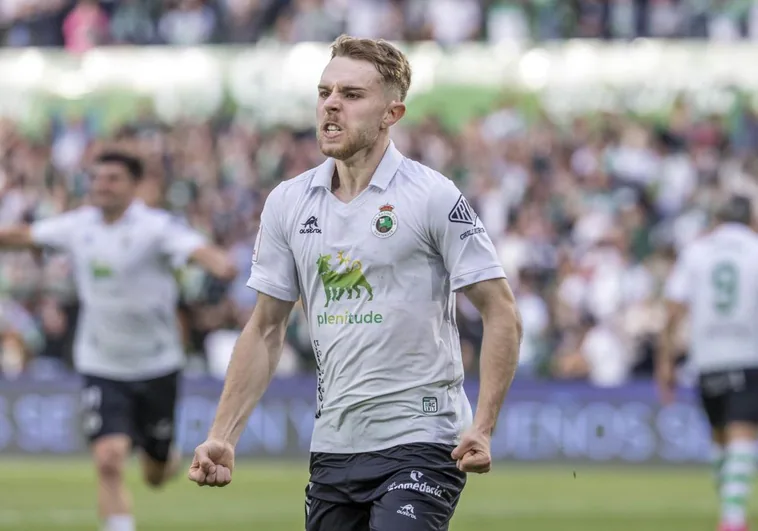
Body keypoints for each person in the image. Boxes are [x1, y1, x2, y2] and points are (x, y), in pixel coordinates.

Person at [188, 34, 523, 531]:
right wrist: (223, 434)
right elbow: (265, 329)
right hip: (334, 446)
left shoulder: (432, 196)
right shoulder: (287, 202)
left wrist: (484, 426)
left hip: (423, 437)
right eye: (325, 92)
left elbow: (501, 312)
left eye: (351, 94)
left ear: (392, 113)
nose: (331, 105)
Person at [0, 150, 237, 531]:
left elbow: (197, 249)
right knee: (108, 458)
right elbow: (23, 235)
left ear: (134, 185)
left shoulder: (155, 227)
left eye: (112, 178)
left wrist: (220, 264)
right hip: (101, 363)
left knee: (155, 475)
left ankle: (164, 457)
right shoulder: (80, 225)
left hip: (157, 364)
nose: (101, 186)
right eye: (96, 178)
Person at [658, 195, 758, 531]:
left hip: (706, 357)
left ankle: (731, 513)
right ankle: (732, 514)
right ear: (751, 219)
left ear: (717, 219)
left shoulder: (696, 252)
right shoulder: (756, 248)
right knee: (742, 432)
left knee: (719, 437)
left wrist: (665, 361)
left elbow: (672, 311)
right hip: (748, 354)